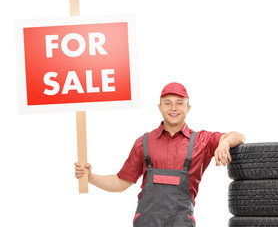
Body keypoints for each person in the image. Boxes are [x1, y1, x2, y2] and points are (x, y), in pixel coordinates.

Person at [75, 82, 245, 227]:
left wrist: (224, 142)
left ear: (188, 107)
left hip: (181, 222)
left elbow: (238, 136)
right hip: (147, 221)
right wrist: (90, 177)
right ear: (160, 107)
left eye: (179, 103)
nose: (173, 108)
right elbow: (121, 182)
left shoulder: (202, 140)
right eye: (167, 103)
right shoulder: (144, 142)